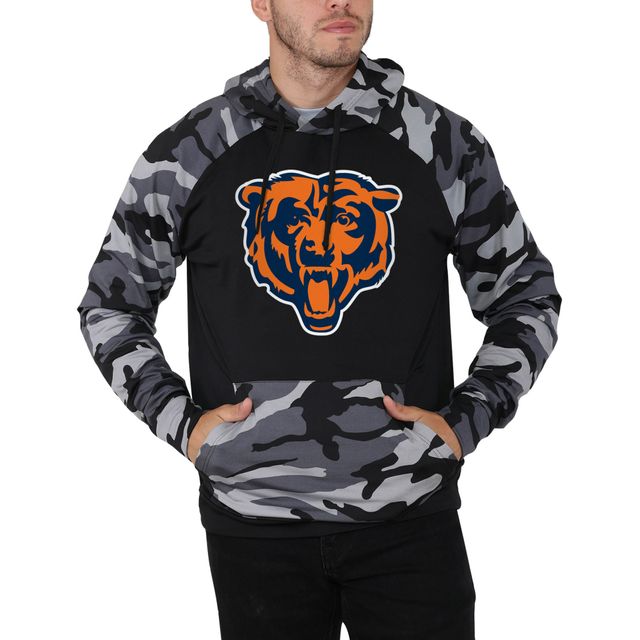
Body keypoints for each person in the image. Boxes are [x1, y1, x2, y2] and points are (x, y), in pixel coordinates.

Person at [76, 1, 562, 637]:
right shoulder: (191, 151)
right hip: (253, 526)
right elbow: (111, 305)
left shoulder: (441, 143)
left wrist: (465, 422)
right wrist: (186, 427)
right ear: (262, 3)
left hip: (411, 513)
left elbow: (526, 295)